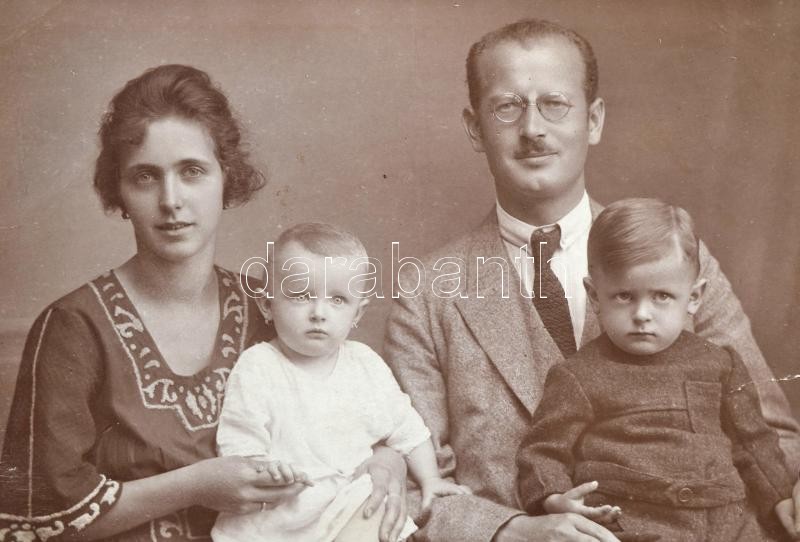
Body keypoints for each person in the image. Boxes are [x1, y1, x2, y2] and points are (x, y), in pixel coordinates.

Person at [382, 18, 800, 542]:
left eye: (555, 104)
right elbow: (411, 484)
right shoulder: (428, 293)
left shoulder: (680, 259)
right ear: (475, 129)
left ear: (594, 119)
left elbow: (772, 437)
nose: (533, 129)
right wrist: (514, 530)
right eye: (507, 107)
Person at [0, 65, 408, 542]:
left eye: (192, 171)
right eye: (145, 176)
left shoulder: (272, 308)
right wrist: (194, 486)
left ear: (226, 179)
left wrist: (389, 460)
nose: (171, 200)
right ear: (120, 192)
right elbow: (39, 517)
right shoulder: (74, 326)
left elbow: (361, 416)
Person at [516, 198, 795, 541]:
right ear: (595, 295)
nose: (642, 315)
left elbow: (753, 442)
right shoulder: (577, 376)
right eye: (624, 296)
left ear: (694, 297)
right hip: (635, 525)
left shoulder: (719, 363)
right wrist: (556, 498)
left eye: (662, 296)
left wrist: (780, 497)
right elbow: (543, 450)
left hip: (727, 523)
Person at [212, 223, 470, 542]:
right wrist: (264, 468)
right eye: (301, 296)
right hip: (281, 513)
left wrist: (430, 479)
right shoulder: (258, 366)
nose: (319, 313)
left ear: (357, 313)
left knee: (380, 513)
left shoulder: (364, 364)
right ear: (268, 304)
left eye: (337, 300)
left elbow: (407, 429)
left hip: (347, 507)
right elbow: (239, 440)